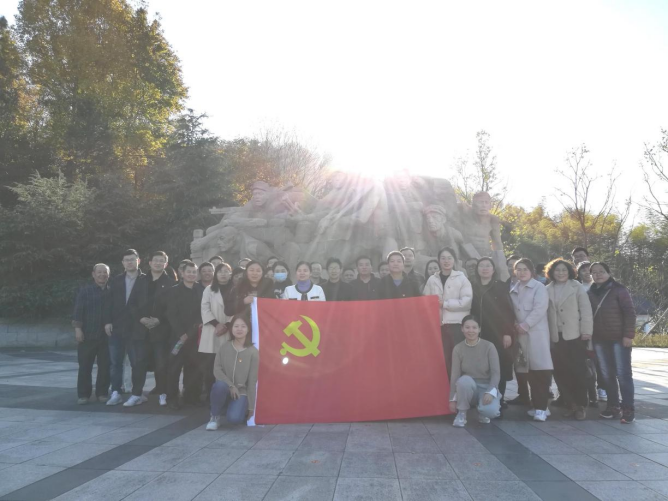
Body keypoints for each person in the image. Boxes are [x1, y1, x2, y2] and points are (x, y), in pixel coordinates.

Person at [588, 262, 637, 423]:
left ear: (608, 273)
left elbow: (630, 313)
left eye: (601, 271)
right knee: (606, 374)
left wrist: (628, 335)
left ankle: (628, 408)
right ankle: (613, 406)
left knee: (623, 374)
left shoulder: (619, 290)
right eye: (594, 272)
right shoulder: (590, 292)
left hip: (619, 338)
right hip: (599, 339)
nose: (598, 274)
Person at [545, 258, 593, 420]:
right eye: (557, 270)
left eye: (564, 270)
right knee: (560, 372)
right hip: (556, 337)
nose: (560, 273)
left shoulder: (576, 286)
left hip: (575, 336)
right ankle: (570, 404)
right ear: (552, 272)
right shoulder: (547, 289)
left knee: (578, 371)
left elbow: (586, 310)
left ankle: (580, 405)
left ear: (569, 272)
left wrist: (586, 331)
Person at [510, 258, 555, 422]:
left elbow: (540, 308)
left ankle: (541, 408)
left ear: (531, 271)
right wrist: (516, 324)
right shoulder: (513, 289)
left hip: (536, 335)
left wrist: (526, 324)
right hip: (520, 336)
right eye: (518, 269)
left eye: (525, 269)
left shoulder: (539, 287)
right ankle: (538, 406)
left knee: (540, 372)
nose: (521, 272)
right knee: (527, 372)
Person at [104, 249, 149, 407]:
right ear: (123, 263)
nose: (130, 262)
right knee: (115, 363)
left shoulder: (146, 280)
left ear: (139, 261)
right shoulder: (116, 280)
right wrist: (107, 321)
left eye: (132, 259)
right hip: (117, 327)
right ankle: (116, 392)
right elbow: (108, 302)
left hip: (137, 327)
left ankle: (137, 394)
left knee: (137, 363)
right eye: (126, 260)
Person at [154, 261, 202, 409]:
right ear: (182, 273)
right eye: (189, 272)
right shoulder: (174, 291)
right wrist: (181, 333)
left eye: (194, 272)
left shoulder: (201, 290)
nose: (191, 274)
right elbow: (171, 313)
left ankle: (190, 396)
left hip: (195, 335)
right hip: (177, 336)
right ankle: (172, 397)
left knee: (193, 367)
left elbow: (202, 312)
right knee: (174, 368)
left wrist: (191, 332)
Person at [471, 257, 516, 408]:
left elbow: (508, 311)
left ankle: (499, 400)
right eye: (481, 266)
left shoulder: (500, 286)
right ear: (477, 269)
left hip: (497, 333)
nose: (484, 268)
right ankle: (483, 399)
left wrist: (507, 332)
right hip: (478, 333)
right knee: (482, 367)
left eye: (488, 266)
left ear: (493, 269)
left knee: (499, 367)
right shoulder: (472, 286)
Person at [423, 247, 472, 376]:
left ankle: (459, 385)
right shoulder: (432, 279)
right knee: (442, 359)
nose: (446, 261)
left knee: (458, 358)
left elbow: (466, 301)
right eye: (443, 258)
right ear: (439, 260)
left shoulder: (461, 278)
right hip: (438, 325)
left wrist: (444, 304)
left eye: (449, 258)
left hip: (456, 324)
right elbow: (425, 301)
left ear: (454, 260)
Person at [206, 314, 259, 430]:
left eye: (243, 326)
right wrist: (230, 385)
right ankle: (214, 416)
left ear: (248, 329)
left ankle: (231, 407)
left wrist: (251, 407)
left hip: (241, 392)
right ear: (231, 329)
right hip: (224, 387)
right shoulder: (224, 347)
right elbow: (217, 369)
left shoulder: (253, 352)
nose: (239, 329)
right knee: (219, 386)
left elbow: (252, 381)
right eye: (236, 326)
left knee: (235, 419)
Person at [450, 315, 501, 427]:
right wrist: (452, 399)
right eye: (467, 327)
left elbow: (496, 373)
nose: (471, 331)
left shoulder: (489, 346)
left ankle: (482, 411)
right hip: (468, 387)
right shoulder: (458, 349)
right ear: (462, 329)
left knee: (491, 412)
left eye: (474, 327)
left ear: (479, 329)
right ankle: (462, 413)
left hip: (486, 387)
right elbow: (455, 375)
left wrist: (490, 392)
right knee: (463, 380)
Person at [140, 251, 176, 405]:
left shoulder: (171, 283)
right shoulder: (141, 281)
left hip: (161, 329)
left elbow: (173, 307)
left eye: (162, 261)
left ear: (166, 264)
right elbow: (133, 303)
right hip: (141, 329)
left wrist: (159, 320)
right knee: (139, 363)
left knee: (161, 363)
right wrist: (141, 318)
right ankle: (137, 393)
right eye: (155, 260)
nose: (158, 263)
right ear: (150, 263)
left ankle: (163, 392)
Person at [73, 263, 111, 404]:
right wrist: (78, 329)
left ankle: (102, 393)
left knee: (105, 366)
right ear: (93, 274)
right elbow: (78, 311)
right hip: (87, 335)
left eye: (105, 272)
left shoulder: (112, 291)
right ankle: (83, 395)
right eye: (99, 272)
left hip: (107, 336)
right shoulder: (85, 291)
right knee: (85, 366)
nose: (102, 274)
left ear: (108, 275)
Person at [199, 263, 233, 399]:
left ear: (230, 274)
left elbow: (238, 310)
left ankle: (228, 397)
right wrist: (217, 324)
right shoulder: (208, 289)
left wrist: (227, 325)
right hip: (212, 331)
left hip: (230, 330)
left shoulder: (236, 289)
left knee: (228, 367)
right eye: (220, 271)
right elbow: (205, 308)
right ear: (216, 274)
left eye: (226, 271)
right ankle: (210, 397)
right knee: (210, 367)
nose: (223, 274)